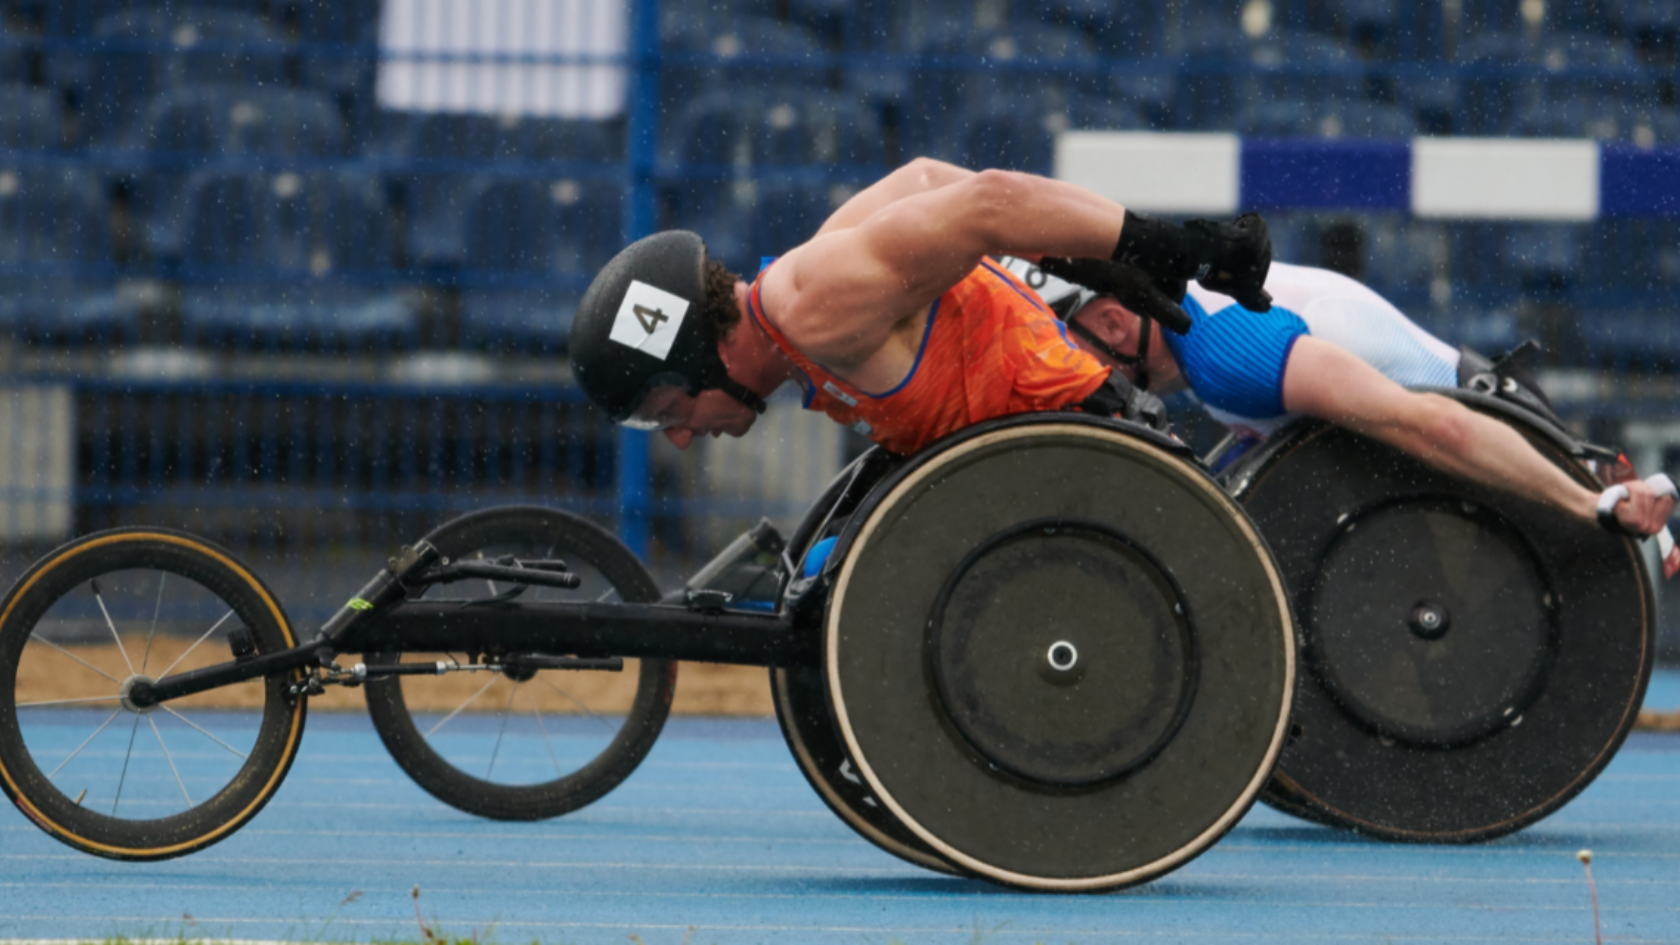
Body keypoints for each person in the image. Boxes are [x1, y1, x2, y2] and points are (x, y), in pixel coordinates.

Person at [566, 158, 1270, 457]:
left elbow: (988, 202)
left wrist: (1164, 248)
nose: (681, 437)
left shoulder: (812, 305)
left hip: (1071, 440)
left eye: (668, 414)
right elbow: (925, 179)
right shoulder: (809, 287)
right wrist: (1086, 261)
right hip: (1037, 440)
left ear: (704, 357)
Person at [1021, 254, 1679, 538]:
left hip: (1493, 439)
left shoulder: (1225, 351)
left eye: (1073, 353)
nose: (1080, 376)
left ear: (1110, 322)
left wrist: (1587, 497)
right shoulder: (1197, 327)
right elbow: (1252, 451)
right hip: (1460, 435)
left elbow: (1430, 425)